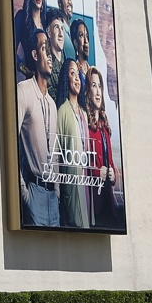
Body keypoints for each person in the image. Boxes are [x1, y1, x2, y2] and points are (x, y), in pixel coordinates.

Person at [16, 18, 62, 228]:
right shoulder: (24, 91)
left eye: (50, 51)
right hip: (34, 192)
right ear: (35, 55)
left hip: (53, 197)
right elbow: (11, 142)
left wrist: (58, 192)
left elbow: (56, 153)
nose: (50, 56)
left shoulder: (52, 104)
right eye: (45, 49)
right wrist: (24, 193)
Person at [53, 37, 90, 228]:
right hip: (71, 186)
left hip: (87, 184)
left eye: (78, 74)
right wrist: (59, 190)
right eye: (72, 73)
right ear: (66, 79)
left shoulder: (84, 113)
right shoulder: (62, 112)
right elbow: (56, 155)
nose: (76, 78)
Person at [83, 66, 119, 228]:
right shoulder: (85, 123)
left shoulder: (105, 125)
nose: (98, 91)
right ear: (88, 91)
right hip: (94, 202)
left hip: (108, 199)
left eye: (99, 86)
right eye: (93, 85)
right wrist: (98, 173)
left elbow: (110, 162)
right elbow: (81, 163)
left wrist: (113, 175)